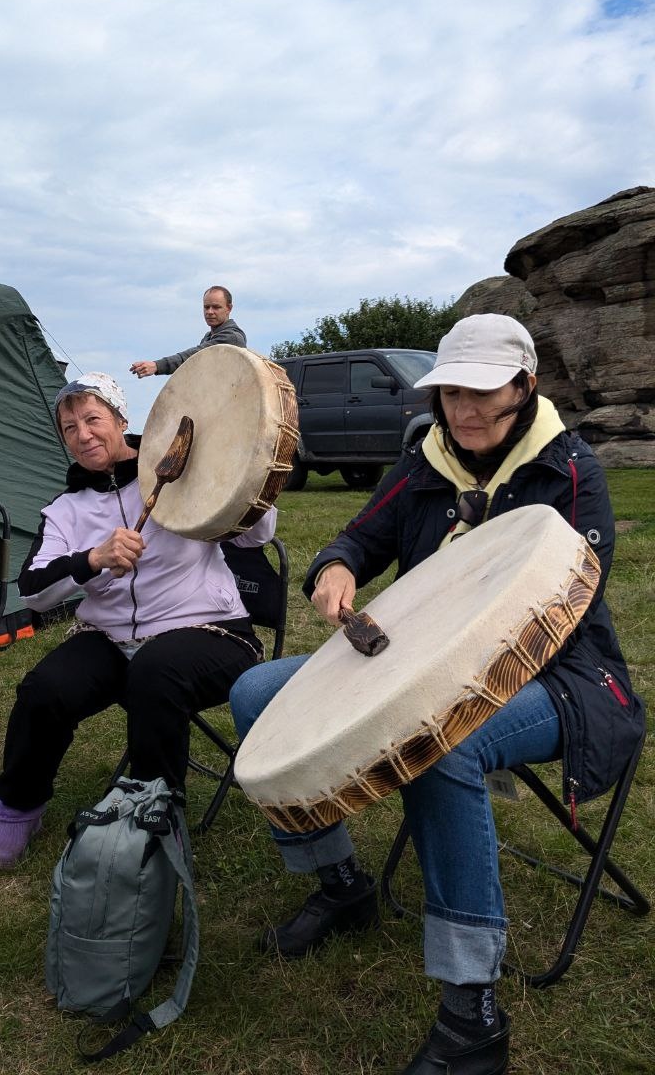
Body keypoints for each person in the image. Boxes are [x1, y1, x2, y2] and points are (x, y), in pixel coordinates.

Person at [230, 314, 645, 1075]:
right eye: (452, 392)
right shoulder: (425, 460)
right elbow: (361, 535)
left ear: (524, 386)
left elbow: (565, 601)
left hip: (561, 675)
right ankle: (342, 885)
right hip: (410, 658)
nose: (464, 409)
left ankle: (471, 1008)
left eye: (483, 393)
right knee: (257, 691)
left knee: (442, 741)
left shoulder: (570, 470)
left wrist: (435, 668)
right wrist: (335, 566)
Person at [0, 371, 275, 869]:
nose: (83, 434)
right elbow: (33, 592)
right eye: (69, 427)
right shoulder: (66, 510)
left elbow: (254, 535)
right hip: (112, 638)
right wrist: (92, 559)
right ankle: (16, 809)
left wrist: (248, 471)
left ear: (121, 420)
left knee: (156, 671)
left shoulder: (176, 474)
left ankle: (155, 821)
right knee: (44, 689)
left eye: (93, 419)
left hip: (209, 631)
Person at [130, 285, 246, 378]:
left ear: (229, 308)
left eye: (216, 307)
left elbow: (194, 357)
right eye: (206, 307)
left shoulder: (232, 337)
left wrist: (157, 366)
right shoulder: (209, 336)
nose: (210, 312)